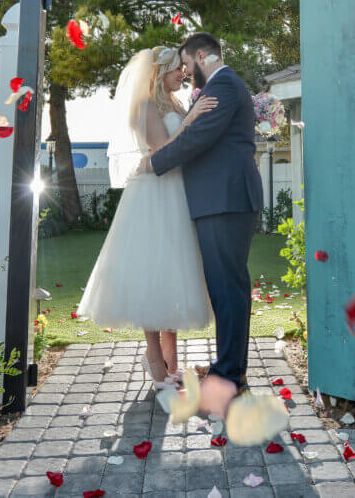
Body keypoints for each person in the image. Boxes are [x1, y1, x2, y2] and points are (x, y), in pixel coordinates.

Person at [76, 46, 217, 390]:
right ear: (159, 72)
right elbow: (164, 148)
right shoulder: (145, 106)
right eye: (176, 70)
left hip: (178, 195)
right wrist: (193, 118)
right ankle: (154, 357)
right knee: (150, 273)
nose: (183, 74)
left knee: (174, 273)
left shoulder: (178, 103)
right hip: (153, 196)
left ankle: (173, 361)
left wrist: (191, 115)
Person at [139, 32, 263, 420]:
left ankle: (230, 377)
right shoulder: (223, 86)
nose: (185, 71)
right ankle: (230, 369)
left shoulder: (224, 84)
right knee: (228, 289)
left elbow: (199, 137)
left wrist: (153, 164)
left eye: (188, 63)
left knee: (228, 289)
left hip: (225, 201)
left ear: (203, 56)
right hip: (220, 201)